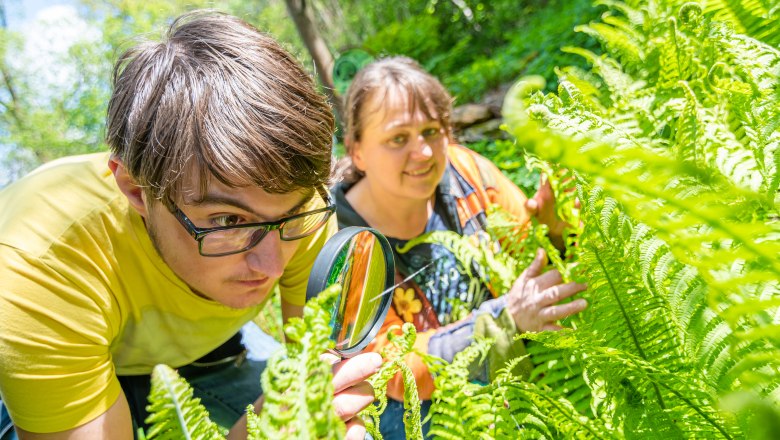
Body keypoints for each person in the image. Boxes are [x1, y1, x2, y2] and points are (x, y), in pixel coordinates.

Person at [0, 11, 379, 440]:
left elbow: (315, 370)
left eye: (288, 215)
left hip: (206, 351)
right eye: (228, 221)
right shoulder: (40, 267)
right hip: (52, 355)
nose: (272, 266)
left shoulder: (296, 204)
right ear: (138, 192)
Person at [332, 56, 588, 438]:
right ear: (357, 151)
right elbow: (393, 372)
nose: (423, 153)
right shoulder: (345, 244)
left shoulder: (468, 172)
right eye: (398, 138)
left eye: (433, 131)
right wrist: (504, 321)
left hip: (515, 377)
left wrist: (556, 227)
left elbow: (532, 268)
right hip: (425, 413)